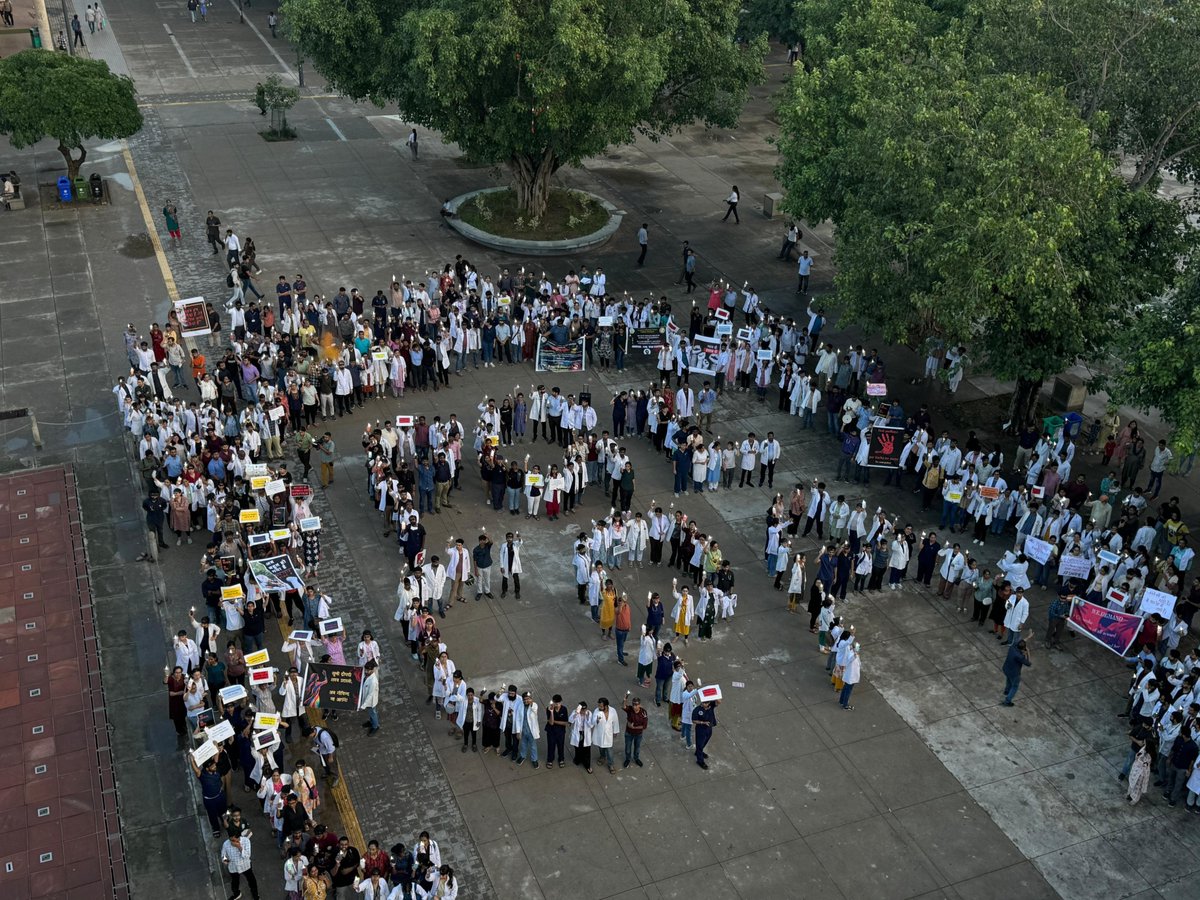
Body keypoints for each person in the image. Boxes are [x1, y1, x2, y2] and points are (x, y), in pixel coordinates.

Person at [221, 826, 260, 900]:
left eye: (235, 840)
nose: (233, 842)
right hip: (233, 867)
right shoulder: (226, 844)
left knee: (251, 880)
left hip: (246, 866)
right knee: (234, 882)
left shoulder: (246, 841)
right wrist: (226, 860)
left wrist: (239, 847)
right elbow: (223, 856)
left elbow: (247, 856)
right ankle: (237, 894)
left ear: (239, 837)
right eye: (231, 840)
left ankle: (255, 894)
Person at [1001, 639, 1031, 706]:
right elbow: (1028, 663)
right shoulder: (1020, 656)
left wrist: (1028, 637)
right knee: (1015, 686)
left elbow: (1020, 641)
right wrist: (1028, 653)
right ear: (1023, 649)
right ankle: (1007, 701)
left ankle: (1007, 691)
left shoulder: (1012, 648)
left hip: (1006, 669)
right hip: (1014, 673)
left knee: (1008, 679)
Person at [692, 697, 718, 768]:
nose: (704, 704)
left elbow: (718, 701)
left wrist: (716, 695)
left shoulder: (711, 706)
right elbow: (694, 720)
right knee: (700, 744)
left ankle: (698, 752)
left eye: (706, 703)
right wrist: (703, 722)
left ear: (709, 703)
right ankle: (700, 761)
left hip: (709, 728)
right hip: (701, 730)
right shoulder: (697, 710)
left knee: (705, 741)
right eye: (703, 703)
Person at [622, 695, 647, 767]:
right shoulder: (630, 709)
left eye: (636, 705)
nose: (634, 706)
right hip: (629, 733)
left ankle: (636, 758)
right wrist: (624, 700)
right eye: (633, 704)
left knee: (637, 748)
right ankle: (628, 759)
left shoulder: (643, 713)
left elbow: (644, 726)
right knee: (628, 748)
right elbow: (624, 707)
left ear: (639, 705)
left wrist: (634, 727)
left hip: (638, 734)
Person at [358, 660, 379, 735]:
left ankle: (375, 726)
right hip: (367, 699)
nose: (366, 671)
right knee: (371, 713)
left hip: (371, 701)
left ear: (372, 670)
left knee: (373, 713)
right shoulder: (366, 675)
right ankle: (371, 722)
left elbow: (370, 695)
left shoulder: (373, 681)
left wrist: (363, 706)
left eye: (368, 670)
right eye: (366, 670)